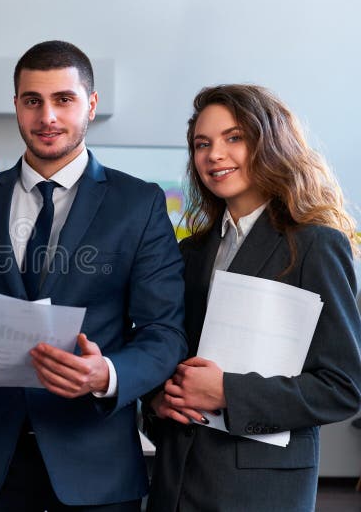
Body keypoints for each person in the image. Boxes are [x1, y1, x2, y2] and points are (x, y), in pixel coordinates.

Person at [0, 40, 188, 511]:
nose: (47, 116)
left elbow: (163, 332)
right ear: (17, 106)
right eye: (32, 101)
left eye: (63, 99)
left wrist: (106, 374)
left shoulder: (139, 204)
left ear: (91, 103)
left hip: (96, 465)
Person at [146, 84, 361, 512]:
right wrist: (158, 400)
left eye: (234, 138)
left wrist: (227, 391)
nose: (213, 154)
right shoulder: (190, 253)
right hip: (175, 482)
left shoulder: (315, 245)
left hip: (261, 490)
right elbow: (170, 357)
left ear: (269, 143)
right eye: (201, 144)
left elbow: (344, 387)